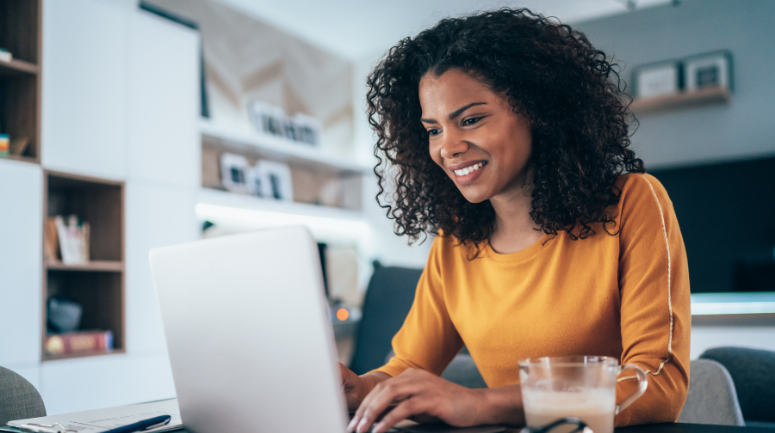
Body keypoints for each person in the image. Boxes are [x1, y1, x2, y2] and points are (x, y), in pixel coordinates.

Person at [339, 8, 690, 432]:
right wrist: (361, 389)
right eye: (433, 130)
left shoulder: (632, 202)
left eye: (470, 120)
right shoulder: (455, 241)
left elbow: (658, 382)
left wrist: (483, 405)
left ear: (537, 109)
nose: (447, 148)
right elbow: (410, 364)